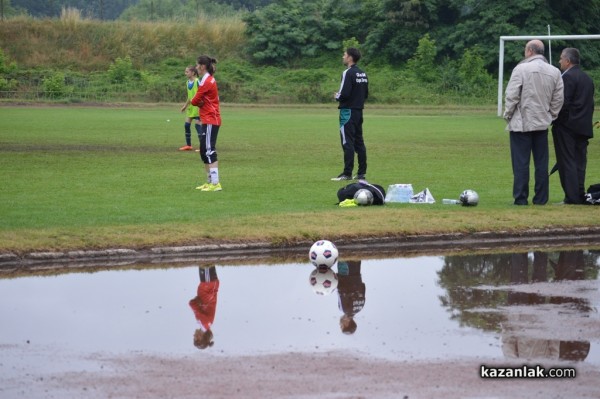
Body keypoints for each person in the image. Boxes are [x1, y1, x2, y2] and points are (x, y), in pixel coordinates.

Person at [504, 39, 563, 205]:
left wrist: (508, 114)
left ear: (530, 51)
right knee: (541, 164)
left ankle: (521, 198)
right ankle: (541, 198)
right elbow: (558, 99)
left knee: (521, 163)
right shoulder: (555, 71)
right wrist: (551, 116)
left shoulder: (521, 68)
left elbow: (512, 95)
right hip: (542, 123)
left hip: (521, 123)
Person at [551, 48, 595, 204]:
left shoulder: (567, 78)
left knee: (567, 161)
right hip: (583, 127)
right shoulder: (587, 79)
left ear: (568, 61)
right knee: (580, 162)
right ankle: (579, 193)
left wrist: (556, 121)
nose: (559, 61)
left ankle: (571, 197)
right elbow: (590, 105)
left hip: (567, 127)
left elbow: (563, 103)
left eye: (561, 58)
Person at [332, 48, 369, 182]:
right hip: (359, 111)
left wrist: (337, 96)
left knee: (347, 142)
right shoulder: (363, 73)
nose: (343, 57)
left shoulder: (347, 73)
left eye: (344, 55)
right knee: (359, 142)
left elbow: (344, 94)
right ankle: (361, 173)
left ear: (350, 58)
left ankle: (347, 173)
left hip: (347, 112)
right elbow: (365, 94)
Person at [191, 55, 222, 192]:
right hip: (206, 119)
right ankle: (209, 181)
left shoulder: (207, 81)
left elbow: (194, 100)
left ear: (202, 66)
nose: (196, 67)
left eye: (197, 65)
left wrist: (199, 101)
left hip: (211, 120)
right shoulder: (205, 79)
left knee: (209, 150)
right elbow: (197, 100)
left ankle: (216, 184)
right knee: (204, 151)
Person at [189, 265, 220, 349]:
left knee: (206, 262)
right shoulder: (204, 323)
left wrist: (197, 302)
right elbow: (192, 304)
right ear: (200, 337)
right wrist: (196, 301)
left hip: (209, 286)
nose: (193, 335)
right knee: (206, 262)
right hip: (208, 286)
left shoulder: (206, 324)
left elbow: (195, 304)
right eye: (195, 337)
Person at [336, 260, 365, 334]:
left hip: (357, 275)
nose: (340, 324)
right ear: (347, 324)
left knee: (355, 255)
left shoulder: (360, 308)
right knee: (343, 253)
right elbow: (341, 291)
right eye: (341, 326)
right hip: (345, 274)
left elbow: (363, 287)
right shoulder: (344, 309)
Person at [178, 65, 202, 151]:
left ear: (193, 73)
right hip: (191, 107)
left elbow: (202, 94)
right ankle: (188, 145)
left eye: (187, 72)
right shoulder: (187, 82)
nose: (185, 73)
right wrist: (185, 106)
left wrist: (201, 105)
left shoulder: (197, 82)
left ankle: (202, 147)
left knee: (198, 126)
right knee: (186, 125)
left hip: (198, 107)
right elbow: (189, 96)